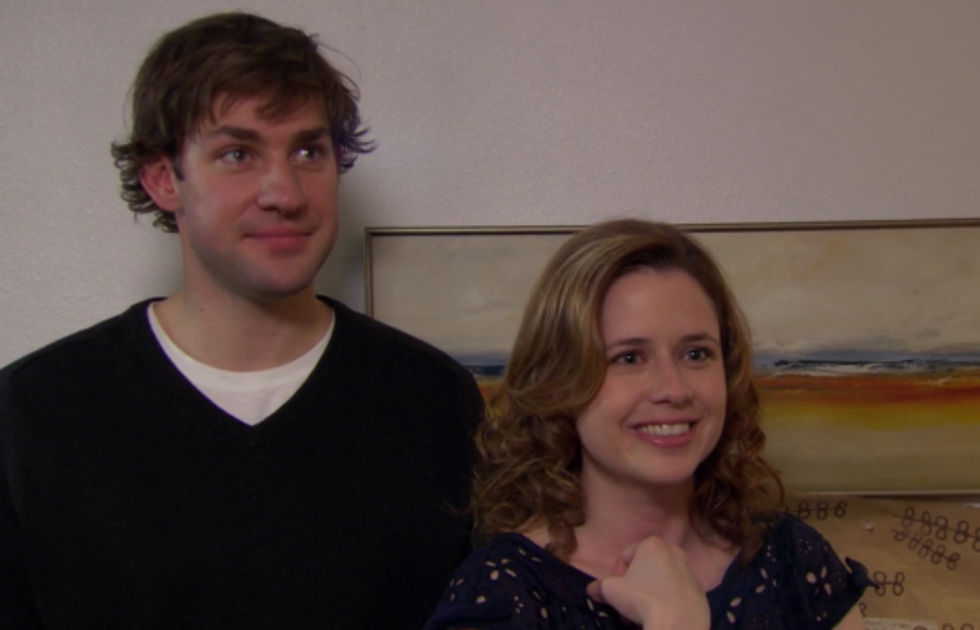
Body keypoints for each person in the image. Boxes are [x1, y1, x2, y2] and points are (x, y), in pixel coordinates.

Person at [0, 12, 482, 629]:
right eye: (237, 154)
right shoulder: (35, 413)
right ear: (163, 179)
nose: (285, 193)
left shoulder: (434, 401)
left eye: (308, 151)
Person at [423, 219, 873, 629]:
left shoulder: (791, 558)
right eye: (629, 358)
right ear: (559, 383)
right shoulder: (503, 594)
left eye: (695, 353)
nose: (673, 389)